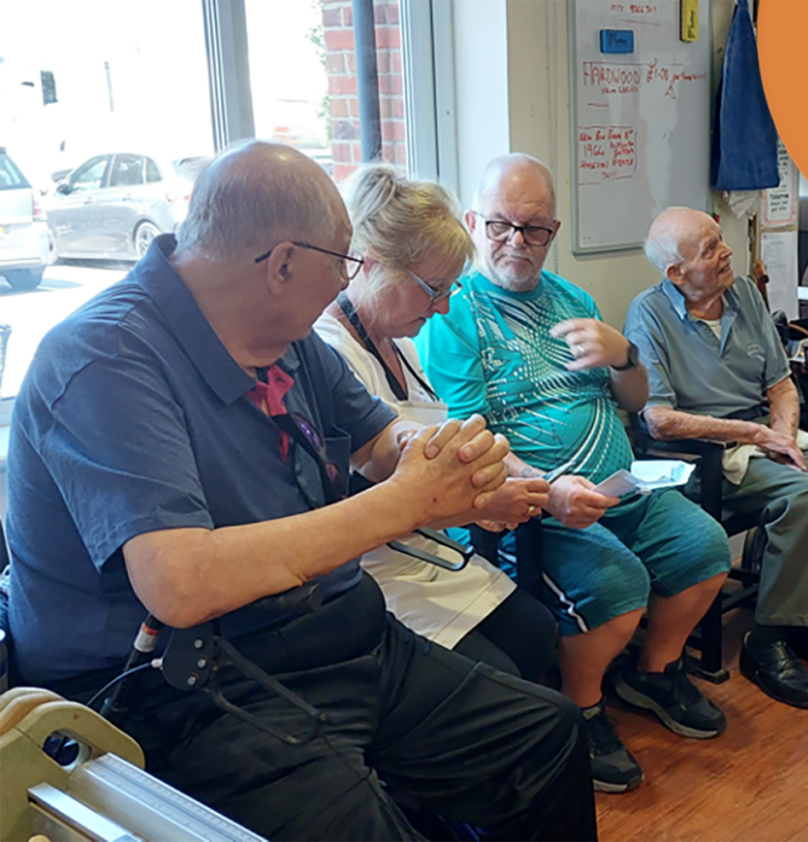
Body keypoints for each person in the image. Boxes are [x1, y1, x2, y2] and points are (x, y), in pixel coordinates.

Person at [5, 141, 598, 841]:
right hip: (183, 691)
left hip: (331, 636)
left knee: (548, 737)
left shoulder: (283, 336)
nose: (349, 281)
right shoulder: (105, 357)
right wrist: (407, 501)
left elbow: (381, 441)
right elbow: (181, 583)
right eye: (343, 263)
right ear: (283, 263)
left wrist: (437, 459)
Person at [418, 153, 732, 794]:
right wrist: (550, 488)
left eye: (533, 228)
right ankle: (581, 708)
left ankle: (653, 673)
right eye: (501, 225)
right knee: (618, 590)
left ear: (553, 233)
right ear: (475, 223)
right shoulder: (451, 312)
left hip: (622, 484)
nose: (516, 242)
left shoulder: (574, 300)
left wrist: (625, 354)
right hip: (535, 504)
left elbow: (638, 402)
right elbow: (466, 439)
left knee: (706, 551)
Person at [314, 162, 556, 682]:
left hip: (425, 549)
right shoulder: (328, 352)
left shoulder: (400, 343)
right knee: (500, 682)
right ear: (373, 266)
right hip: (373, 570)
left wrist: (505, 479)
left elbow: (442, 444)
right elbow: (363, 494)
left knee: (537, 634)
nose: (445, 307)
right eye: (434, 288)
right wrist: (480, 502)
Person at [622, 208, 808, 710]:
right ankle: (768, 641)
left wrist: (783, 437)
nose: (727, 252)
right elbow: (660, 420)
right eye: (711, 249)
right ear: (676, 273)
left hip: (761, 441)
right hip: (702, 455)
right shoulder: (648, 314)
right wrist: (754, 433)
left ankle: (807, 624)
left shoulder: (745, 296)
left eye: (721, 240)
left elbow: (780, 384)